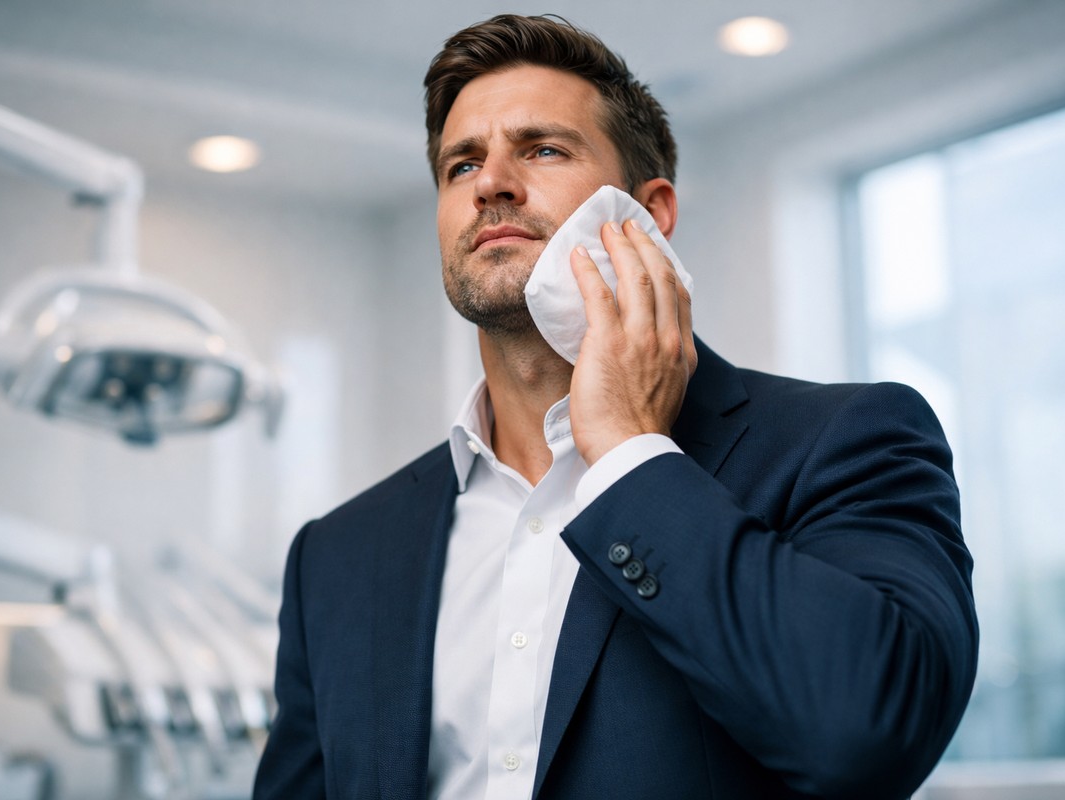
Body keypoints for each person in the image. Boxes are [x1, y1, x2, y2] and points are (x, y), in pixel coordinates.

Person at [254, 14, 978, 800]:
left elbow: (870, 730)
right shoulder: (336, 555)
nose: (491, 182)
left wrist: (631, 454)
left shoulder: (846, 442)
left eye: (542, 149)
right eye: (462, 165)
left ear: (649, 213)